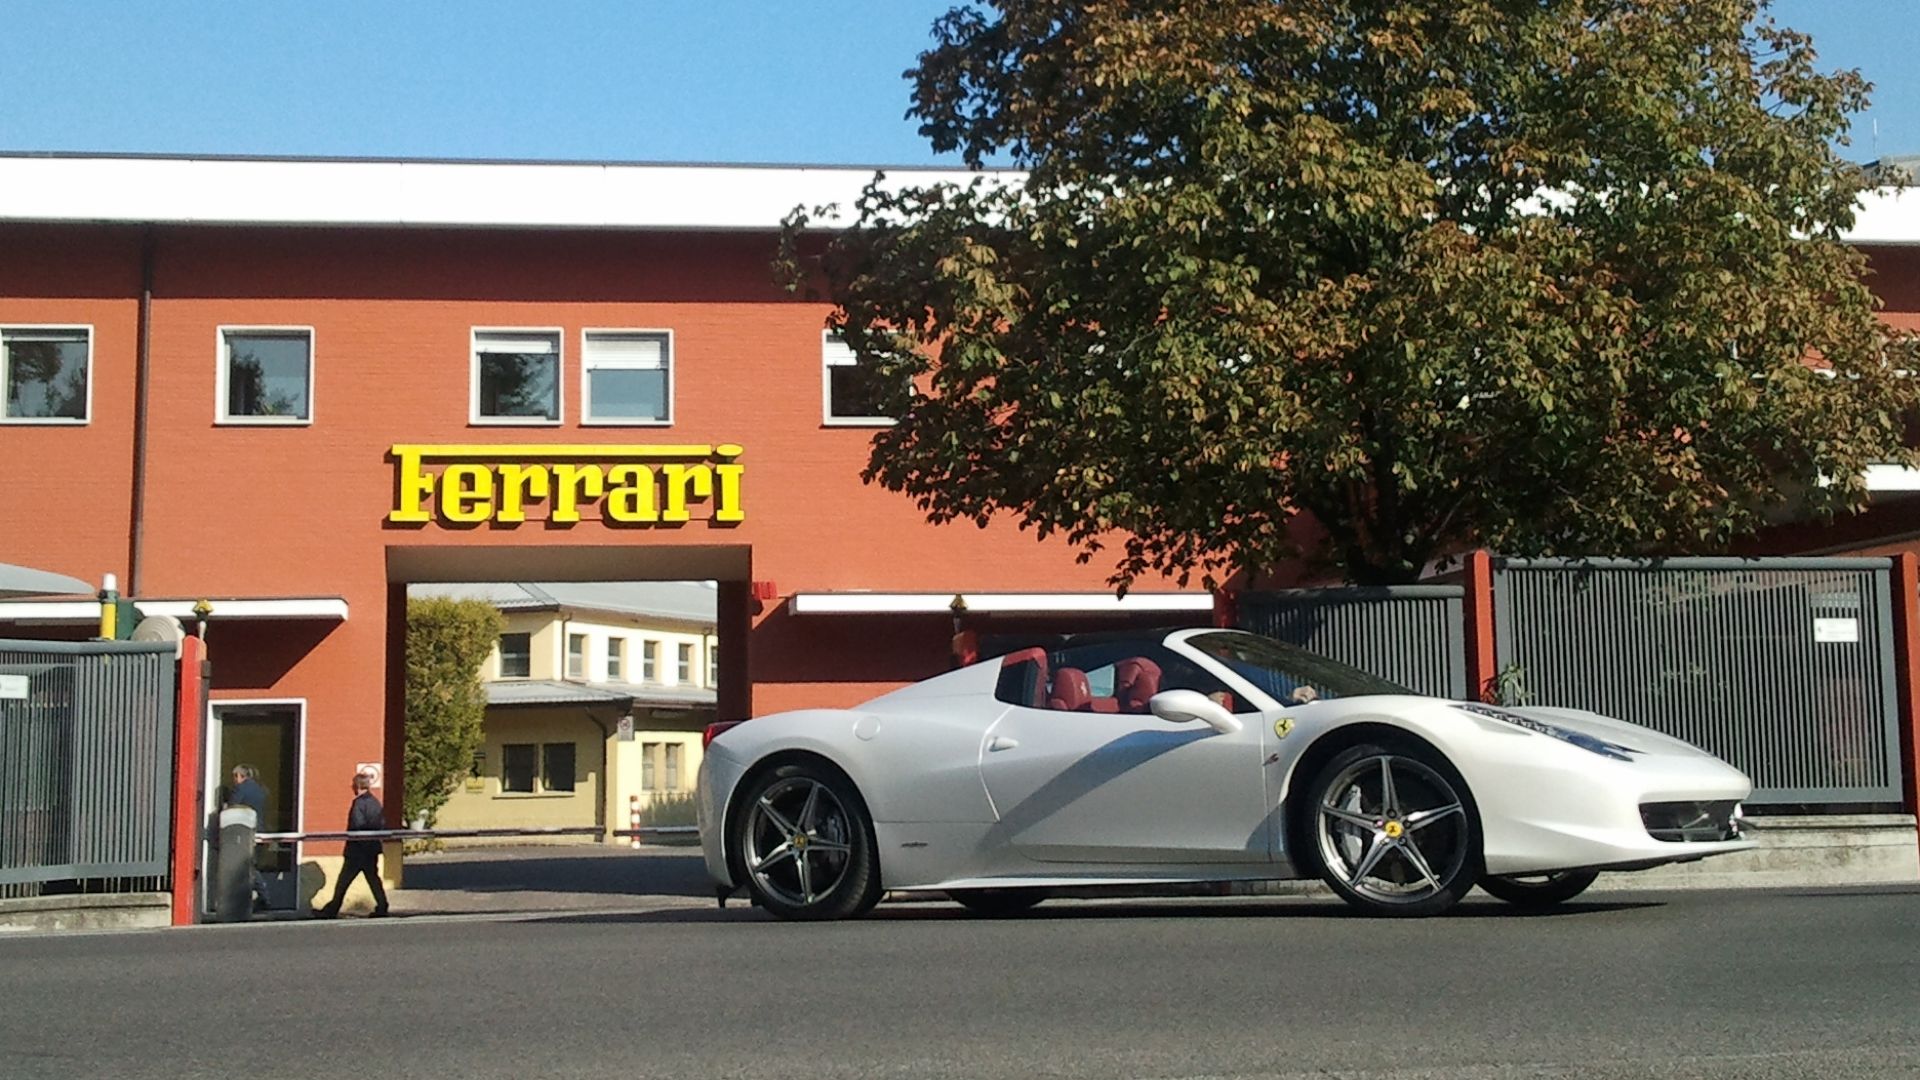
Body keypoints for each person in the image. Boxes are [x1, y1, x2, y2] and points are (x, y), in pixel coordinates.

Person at [314, 771, 390, 919]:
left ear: (357, 786)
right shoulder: (375, 802)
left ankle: (332, 909)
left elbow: (356, 826)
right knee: (373, 880)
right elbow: (381, 824)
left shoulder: (359, 803)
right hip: (372, 849)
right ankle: (382, 906)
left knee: (343, 882)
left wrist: (354, 845)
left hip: (357, 852)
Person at [224, 765, 272, 910]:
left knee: (246, 866)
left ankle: (263, 896)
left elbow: (232, 808)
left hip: (244, 832)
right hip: (260, 830)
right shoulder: (261, 789)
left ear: (239, 776)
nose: (234, 780)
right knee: (252, 865)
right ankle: (258, 897)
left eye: (235, 776)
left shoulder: (240, 789)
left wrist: (225, 806)